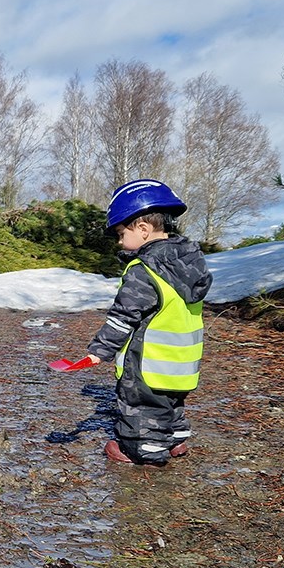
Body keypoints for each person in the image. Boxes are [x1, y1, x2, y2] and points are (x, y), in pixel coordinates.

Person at [84, 179, 213, 466]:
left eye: (121, 233)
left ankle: (144, 450)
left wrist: (100, 350)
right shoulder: (189, 264)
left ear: (143, 229)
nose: (120, 241)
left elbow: (123, 316)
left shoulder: (144, 271)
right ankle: (176, 439)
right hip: (182, 363)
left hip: (148, 361)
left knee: (141, 408)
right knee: (170, 402)